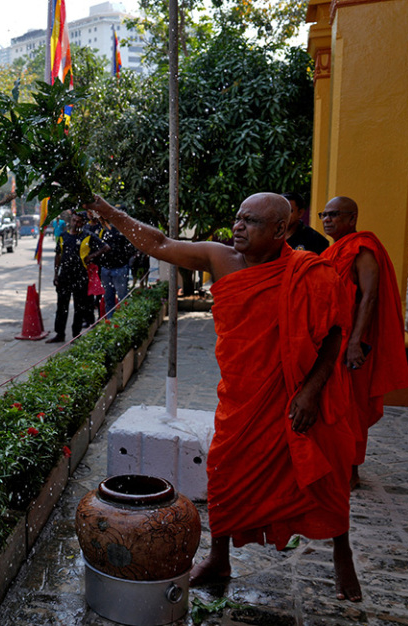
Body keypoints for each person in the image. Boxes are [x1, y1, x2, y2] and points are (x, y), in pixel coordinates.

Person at [84, 192, 362, 602]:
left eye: (251, 221)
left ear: (280, 229)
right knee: (224, 473)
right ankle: (219, 558)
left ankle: (342, 554)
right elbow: (160, 244)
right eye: (238, 218)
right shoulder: (220, 258)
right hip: (242, 399)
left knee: (324, 475)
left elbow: (335, 333)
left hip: (294, 396)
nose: (238, 227)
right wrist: (108, 211)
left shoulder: (308, 272)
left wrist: (311, 391)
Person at [319, 196, 408, 488]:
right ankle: (331, 463)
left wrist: (355, 342)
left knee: (351, 406)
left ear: (352, 218)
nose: (327, 219)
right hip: (333, 339)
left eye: (334, 214)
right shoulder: (333, 250)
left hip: (351, 342)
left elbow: (369, 297)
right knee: (330, 403)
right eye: (324, 214)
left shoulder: (362, 249)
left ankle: (351, 470)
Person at [47, 210, 108, 343]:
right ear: (71, 221)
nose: (75, 223)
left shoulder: (88, 236)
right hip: (64, 276)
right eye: (74, 220)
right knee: (61, 306)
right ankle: (60, 334)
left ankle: (76, 334)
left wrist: (91, 256)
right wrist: (56, 274)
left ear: (84, 223)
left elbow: (105, 247)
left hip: (81, 276)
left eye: (79, 222)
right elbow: (58, 255)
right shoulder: (63, 236)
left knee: (79, 307)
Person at [89, 209, 136, 316]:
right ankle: (110, 321)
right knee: (108, 298)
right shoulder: (103, 230)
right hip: (106, 269)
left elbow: (131, 248)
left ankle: (124, 319)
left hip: (120, 268)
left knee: (122, 298)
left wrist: (126, 262)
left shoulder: (125, 230)